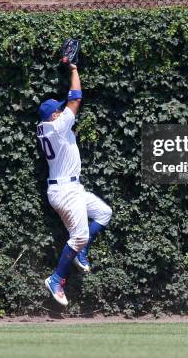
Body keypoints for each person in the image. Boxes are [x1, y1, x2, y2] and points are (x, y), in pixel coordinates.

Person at [38, 64, 113, 308]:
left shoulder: (47, 127)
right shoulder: (57, 127)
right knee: (79, 235)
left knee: (104, 213)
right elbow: (76, 98)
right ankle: (56, 278)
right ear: (53, 116)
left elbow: (69, 105)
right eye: (58, 110)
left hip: (71, 188)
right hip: (65, 192)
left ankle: (81, 251)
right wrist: (74, 69)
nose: (62, 111)